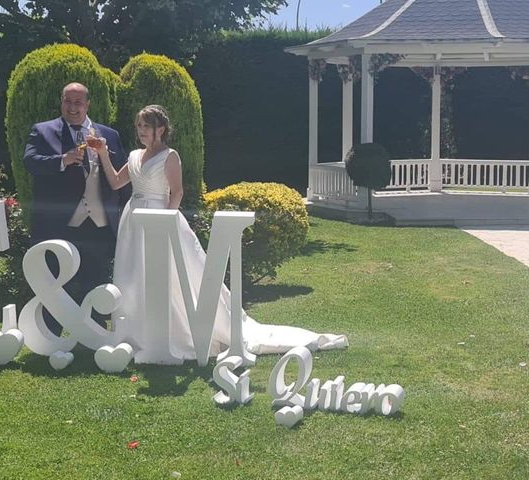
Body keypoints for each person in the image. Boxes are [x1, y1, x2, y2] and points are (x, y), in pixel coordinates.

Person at [94, 104, 347, 360]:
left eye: (146, 126)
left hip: (160, 218)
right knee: (134, 272)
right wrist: (103, 153)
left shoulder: (170, 156)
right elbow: (116, 181)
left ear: (160, 129)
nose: (141, 132)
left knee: (165, 275)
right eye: (139, 126)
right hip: (134, 219)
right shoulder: (135, 155)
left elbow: (177, 191)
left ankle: (172, 335)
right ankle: (135, 333)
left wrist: (167, 222)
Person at [23, 82, 127, 335]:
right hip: (61, 222)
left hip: (100, 221)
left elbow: (122, 177)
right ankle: (51, 334)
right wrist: (62, 160)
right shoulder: (43, 130)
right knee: (57, 279)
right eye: (68, 101)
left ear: (87, 104)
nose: (72, 107)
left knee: (98, 277)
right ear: (61, 102)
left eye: (78, 102)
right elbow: (30, 162)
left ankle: (98, 333)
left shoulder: (108, 135)